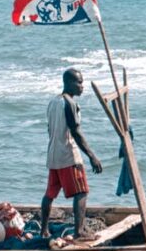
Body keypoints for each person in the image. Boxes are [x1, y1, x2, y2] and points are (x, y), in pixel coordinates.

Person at [40, 68, 103, 241]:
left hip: (53, 155)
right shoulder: (69, 103)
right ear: (68, 83)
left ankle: (44, 230)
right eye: (79, 82)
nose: (82, 86)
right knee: (81, 192)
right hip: (68, 155)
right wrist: (92, 156)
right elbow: (75, 132)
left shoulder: (53, 102)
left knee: (50, 194)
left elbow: (49, 129)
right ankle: (79, 232)